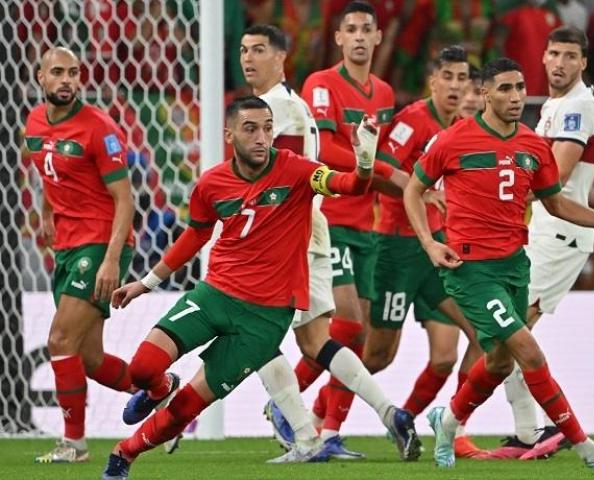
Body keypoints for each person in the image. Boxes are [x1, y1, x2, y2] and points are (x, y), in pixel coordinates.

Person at [100, 96, 419, 479]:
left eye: (268, 128)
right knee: (142, 368)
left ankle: (124, 455)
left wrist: (365, 162)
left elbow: (348, 185)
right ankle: (159, 386)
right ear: (229, 134)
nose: (261, 137)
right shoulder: (211, 184)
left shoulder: (298, 171)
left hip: (265, 320)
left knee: (187, 408)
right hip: (214, 295)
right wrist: (147, 283)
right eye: (250, 129)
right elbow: (195, 236)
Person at [404, 57, 594, 470]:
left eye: (519, 88)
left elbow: (556, 202)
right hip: (471, 271)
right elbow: (413, 189)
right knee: (529, 353)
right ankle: (587, 448)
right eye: (504, 89)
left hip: (515, 267)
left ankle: (447, 421)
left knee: (499, 361)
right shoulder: (453, 141)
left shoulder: (534, 146)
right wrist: (428, 243)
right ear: (484, 94)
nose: (515, 97)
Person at [238, 24, 420, 461]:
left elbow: (280, 176)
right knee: (319, 340)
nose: (248, 59)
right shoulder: (292, 104)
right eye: (244, 50)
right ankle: (386, 412)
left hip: (284, 235)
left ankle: (300, 431)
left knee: (255, 331)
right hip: (313, 228)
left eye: (259, 50)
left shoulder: (277, 110)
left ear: (281, 57)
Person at [296, 0, 407, 455]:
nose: (360, 36)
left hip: (366, 223)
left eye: (367, 29)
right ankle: (289, 406)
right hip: (329, 217)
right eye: (351, 30)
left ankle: (327, 431)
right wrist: (387, 170)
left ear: (378, 37)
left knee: (356, 334)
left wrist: (403, 181)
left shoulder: (383, 93)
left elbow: (372, 160)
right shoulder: (320, 85)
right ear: (338, 39)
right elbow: (323, 150)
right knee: (348, 321)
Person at [363, 44, 485, 458]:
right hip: (397, 246)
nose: (455, 86)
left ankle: (427, 420)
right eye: (447, 77)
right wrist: (420, 190)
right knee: (377, 355)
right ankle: (316, 418)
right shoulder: (413, 119)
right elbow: (377, 165)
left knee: (474, 336)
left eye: (461, 78)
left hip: (435, 250)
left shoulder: (459, 128)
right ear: (432, 80)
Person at [492, 25, 594, 460]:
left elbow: (551, 177)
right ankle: (529, 431)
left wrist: (493, 188)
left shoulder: (580, 108)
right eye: (554, 54)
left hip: (560, 236)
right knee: (506, 334)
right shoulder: (554, 107)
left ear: (582, 63)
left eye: (569, 56)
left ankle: (534, 430)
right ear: (543, 57)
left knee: (511, 333)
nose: (559, 63)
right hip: (541, 230)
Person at [25, 47, 136, 464]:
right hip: (67, 246)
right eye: (57, 72)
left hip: (99, 244)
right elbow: (48, 175)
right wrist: (46, 215)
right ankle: (162, 391)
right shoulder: (34, 124)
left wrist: (111, 260)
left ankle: (74, 445)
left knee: (59, 339)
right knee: (88, 358)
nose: (66, 79)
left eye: (73, 72)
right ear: (41, 77)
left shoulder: (99, 129)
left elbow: (125, 200)